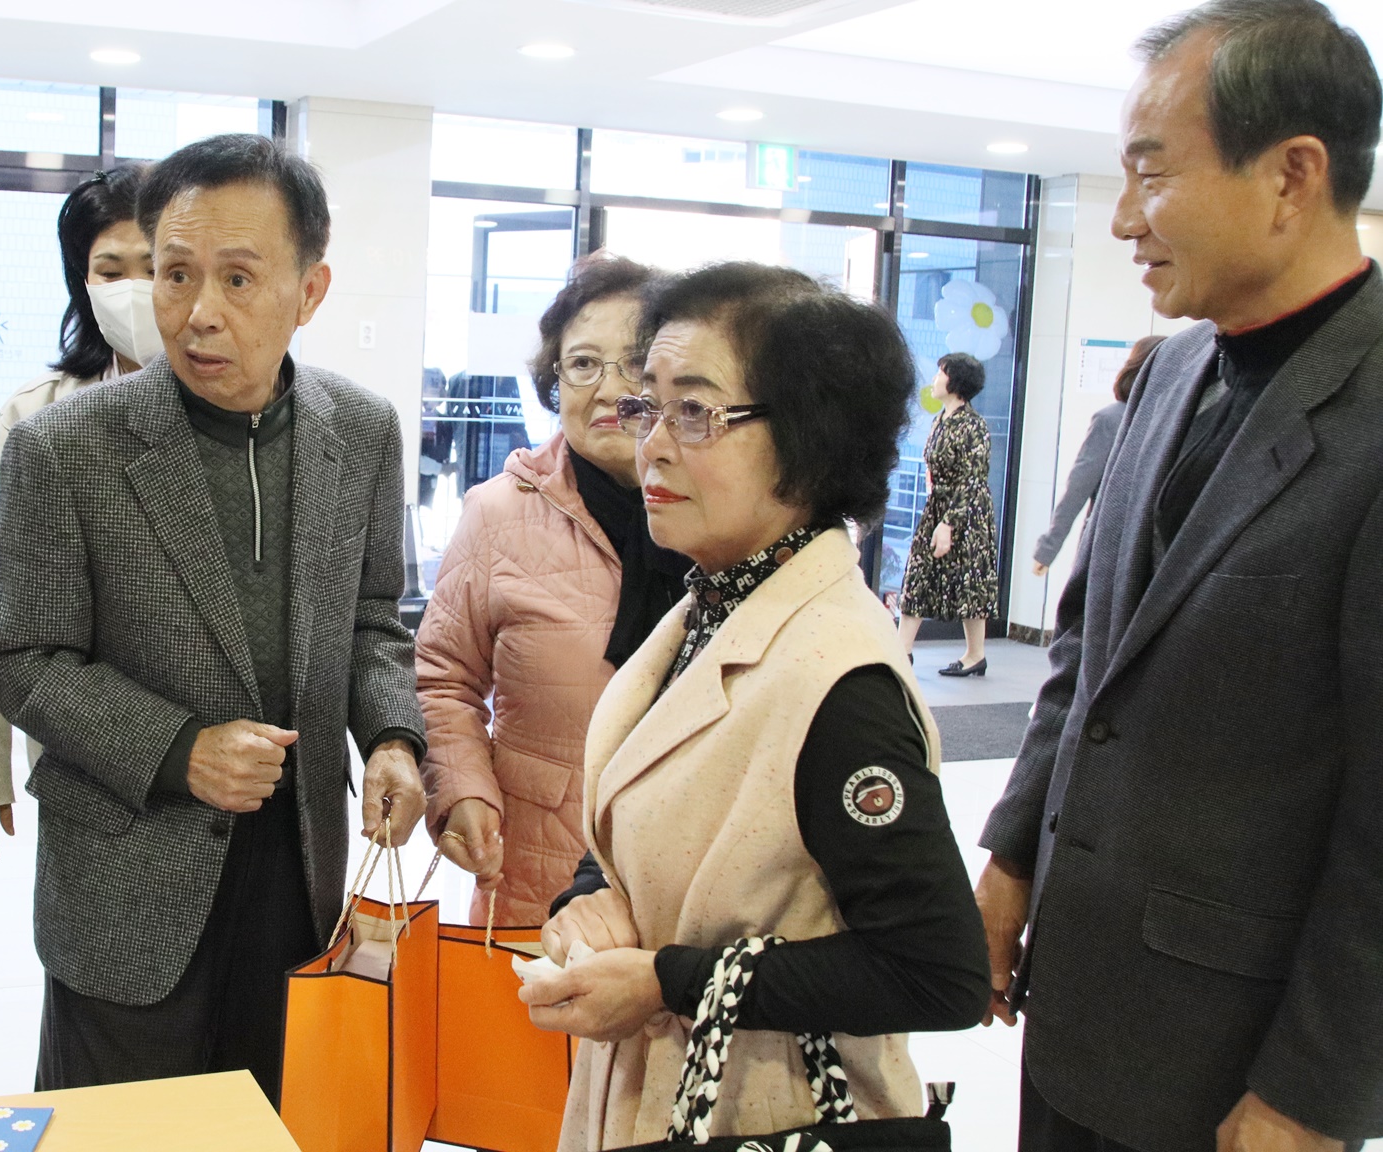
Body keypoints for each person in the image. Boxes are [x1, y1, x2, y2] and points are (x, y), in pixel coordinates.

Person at [975, 4, 1383, 1151]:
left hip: (1237, 1059)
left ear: (1292, 176)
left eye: (1151, 175)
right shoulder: (1173, 370)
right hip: (1077, 1000)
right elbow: (1085, 656)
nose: (1121, 218)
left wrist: (1314, 1092)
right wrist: (1012, 855)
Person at [0, 133, 427, 1101]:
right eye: (176, 274)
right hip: (128, 879)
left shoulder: (362, 432)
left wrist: (392, 738)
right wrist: (180, 749)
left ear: (310, 291)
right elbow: (23, 657)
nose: (198, 312)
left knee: (276, 1118)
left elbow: (372, 619)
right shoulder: (63, 448)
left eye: (238, 278)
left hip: (297, 868)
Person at [518, 264, 989, 1149]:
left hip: (769, 1111)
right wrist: (589, 897)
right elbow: (648, 806)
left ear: (810, 439)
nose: (652, 446)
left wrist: (670, 980)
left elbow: (938, 972)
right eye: (649, 406)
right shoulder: (711, 604)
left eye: (695, 413)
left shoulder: (838, 680)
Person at [416, 253, 690, 925]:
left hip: (692, 889)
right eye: (583, 364)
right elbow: (442, 679)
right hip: (538, 885)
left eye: (635, 365)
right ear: (553, 380)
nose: (610, 389)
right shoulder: (497, 513)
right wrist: (462, 789)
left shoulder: (723, 516)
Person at [0, 165, 152, 862]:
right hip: (81, 752)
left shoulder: (243, 406)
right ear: (81, 281)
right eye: (111, 270)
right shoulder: (38, 415)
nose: (135, 289)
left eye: (156, 266)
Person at [898, 351, 999, 677]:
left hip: (966, 511)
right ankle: (902, 649)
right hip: (938, 506)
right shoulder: (940, 419)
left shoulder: (973, 425)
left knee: (971, 581)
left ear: (955, 381)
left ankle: (975, 654)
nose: (934, 378)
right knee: (917, 573)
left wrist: (948, 523)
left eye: (941, 373)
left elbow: (973, 480)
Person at [1031, 335, 1164, 576]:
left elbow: (1078, 487)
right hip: (1156, 552)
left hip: (1109, 544)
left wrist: (1048, 548)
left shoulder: (1111, 419)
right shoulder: (1177, 422)